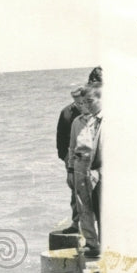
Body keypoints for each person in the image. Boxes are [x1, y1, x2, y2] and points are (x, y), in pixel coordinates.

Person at [73, 82, 102, 258]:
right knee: (83, 205)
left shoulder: (99, 119)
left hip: (96, 164)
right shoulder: (77, 122)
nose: (84, 106)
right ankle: (92, 243)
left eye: (87, 102)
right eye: (80, 103)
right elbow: (70, 147)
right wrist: (70, 169)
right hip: (80, 164)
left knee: (99, 205)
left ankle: (104, 243)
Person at [56, 86, 86, 232]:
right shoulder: (66, 113)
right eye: (77, 103)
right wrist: (66, 159)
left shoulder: (91, 111)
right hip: (71, 156)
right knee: (75, 190)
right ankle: (76, 224)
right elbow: (60, 139)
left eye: (82, 102)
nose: (81, 106)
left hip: (88, 155)